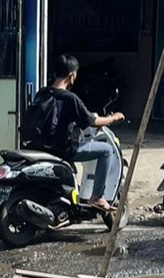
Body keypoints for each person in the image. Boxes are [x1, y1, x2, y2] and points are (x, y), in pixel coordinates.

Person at [34, 53, 125, 212]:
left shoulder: (42, 93)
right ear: (71, 76)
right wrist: (114, 118)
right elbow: (92, 122)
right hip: (61, 149)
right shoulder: (70, 98)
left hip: (39, 147)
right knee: (106, 150)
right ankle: (97, 197)